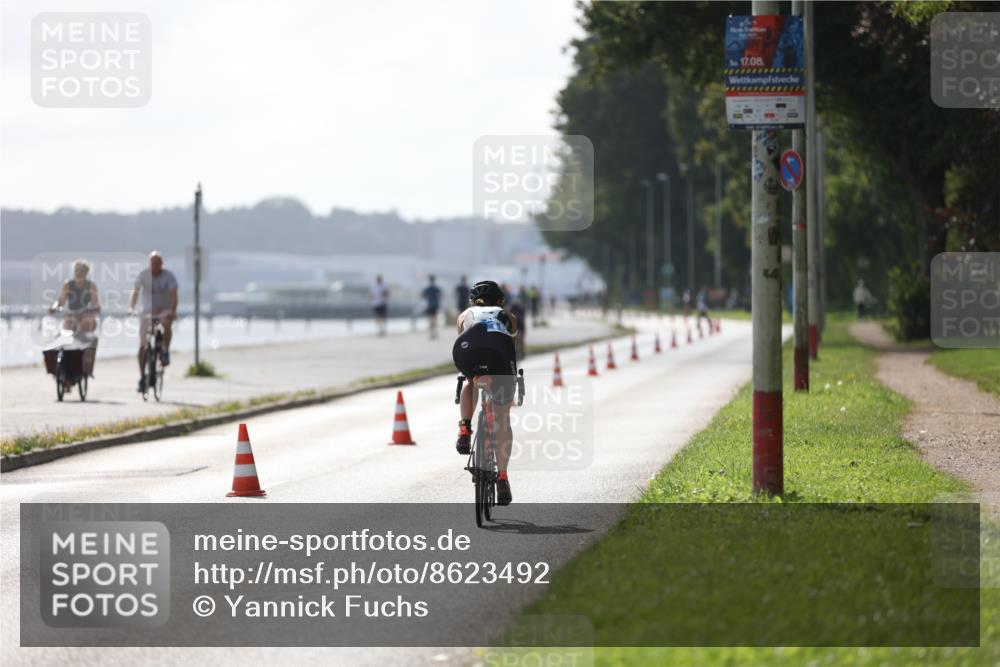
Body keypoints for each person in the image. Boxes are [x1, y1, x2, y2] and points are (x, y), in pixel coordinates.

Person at [452, 280, 518, 506]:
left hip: (466, 349)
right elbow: (512, 340)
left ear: (473, 300)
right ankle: (502, 477)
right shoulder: (505, 315)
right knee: (502, 417)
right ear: (499, 300)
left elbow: (461, 335)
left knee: (470, 381)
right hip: (499, 352)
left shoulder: (465, 314)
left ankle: (464, 429)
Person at [128, 251, 178, 393]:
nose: (155, 266)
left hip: (164, 310)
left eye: (158, 263)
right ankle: (142, 377)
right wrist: (131, 307)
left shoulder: (169, 276)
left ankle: (165, 350)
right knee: (142, 346)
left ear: (162, 264)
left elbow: (174, 295)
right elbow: (135, 291)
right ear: (149, 264)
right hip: (147, 312)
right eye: (152, 263)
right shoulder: (143, 275)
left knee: (167, 323)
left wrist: (173, 311)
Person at [49, 259, 101, 333]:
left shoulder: (91, 286)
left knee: (88, 320)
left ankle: (83, 335)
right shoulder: (68, 285)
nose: (78, 273)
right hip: (71, 315)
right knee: (69, 322)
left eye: (81, 271)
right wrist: (53, 307)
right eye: (76, 270)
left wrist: (90, 311)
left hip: (85, 315)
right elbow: (60, 302)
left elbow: (95, 305)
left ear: (86, 273)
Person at [422, 274, 442, 339]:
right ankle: (435, 332)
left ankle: (431, 333)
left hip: (429, 305)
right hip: (435, 305)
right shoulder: (436, 288)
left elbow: (423, 296)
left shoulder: (427, 288)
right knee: (435, 319)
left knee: (430, 319)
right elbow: (440, 295)